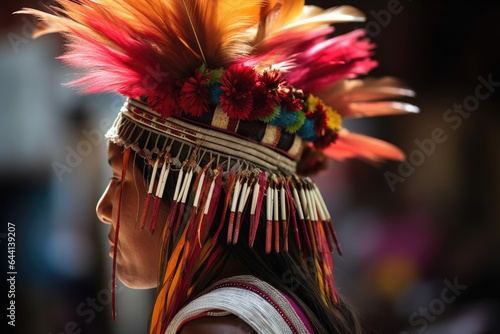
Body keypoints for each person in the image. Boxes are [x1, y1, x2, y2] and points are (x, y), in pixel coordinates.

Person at [18, 1, 418, 333]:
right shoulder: (275, 306)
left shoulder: (215, 327)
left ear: (194, 188)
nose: (102, 207)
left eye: (122, 178)